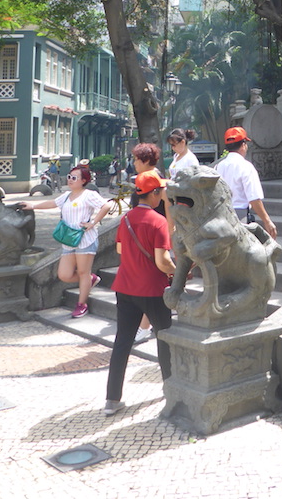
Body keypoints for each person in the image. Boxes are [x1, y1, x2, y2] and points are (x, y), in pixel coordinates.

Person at [103, 159, 176, 417]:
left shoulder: (126, 220)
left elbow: (121, 249)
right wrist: (176, 272)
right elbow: (162, 261)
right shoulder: (159, 222)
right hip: (153, 290)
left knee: (122, 341)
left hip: (125, 286)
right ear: (154, 193)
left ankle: (112, 399)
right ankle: (172, 390)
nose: (163, 195)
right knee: (165, 339)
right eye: (161, 191)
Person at [19, 164, 111, 317]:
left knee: (83, 272)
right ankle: (89, 280)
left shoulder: (88, 194)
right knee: (64, 275)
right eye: (69, 177)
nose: (70, 180)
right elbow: (53, 203)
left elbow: (106, 205)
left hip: (85, 239)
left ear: (83, 180)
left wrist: (93, 222)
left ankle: (82, 304)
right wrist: (33, 205)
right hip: (68, 240)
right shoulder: (67, 196)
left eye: (74, 178)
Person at [130, 141, 173, 344]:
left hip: (154, 236)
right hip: (143, 235)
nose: (134, 163)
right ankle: (150, 324)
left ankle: (146, 326)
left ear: (146, 160)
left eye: (136, 160)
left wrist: (170, 233)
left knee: (152, 282)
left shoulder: (158, 182)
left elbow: (170, 209)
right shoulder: (142, 178)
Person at [215, 127, 277, 239]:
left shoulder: (218, 166)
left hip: (220, 218)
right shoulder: (246, 167)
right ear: (243, 145)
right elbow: (254, 199)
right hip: (240, 217)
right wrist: (267, 221)